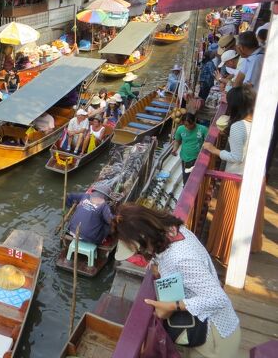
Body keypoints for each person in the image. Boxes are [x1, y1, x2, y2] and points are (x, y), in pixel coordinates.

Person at [113, 204, 241, 358]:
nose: (141, 252)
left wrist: (174, 306)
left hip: (214, 335)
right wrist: (156, 265)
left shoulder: (180, 258)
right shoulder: (173, 231)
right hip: (200, 328)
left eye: (138, 249)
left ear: (144, 237)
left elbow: (219, 298)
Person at [202, 86, 263, 256]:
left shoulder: (238, 126)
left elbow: (236, 157)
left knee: (229, 216)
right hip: (257, 176)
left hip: (237, 177)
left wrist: (213, 149)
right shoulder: (261, 123)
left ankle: (225, 248)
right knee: (246, 216)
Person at [172, 113, 208, 184]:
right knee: (186, 178)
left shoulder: (203, 129)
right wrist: (175, 149)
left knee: (197, 177)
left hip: (198, 158)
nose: (188, 127)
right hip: (185, 158)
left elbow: (208, 143)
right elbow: (177, 141)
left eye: (190, 124)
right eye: (186, 125)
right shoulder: (180, 129)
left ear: (194, 121)